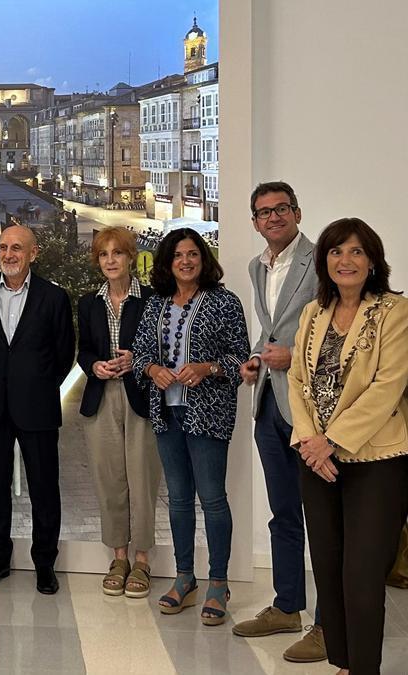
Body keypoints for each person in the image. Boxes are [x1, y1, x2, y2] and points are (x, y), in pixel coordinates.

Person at [287, 218, 408, 675]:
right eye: (337, 251)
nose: (346, 260)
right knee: (329, 569)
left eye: (357, 251)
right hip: (315, 461)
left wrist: (331, 441)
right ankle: (343, 663)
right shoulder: (312, 313)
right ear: (324, 261)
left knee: (362, 576)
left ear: (373, 260)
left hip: (376, 459)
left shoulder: (395, 311)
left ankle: (364, 669)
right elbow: (298, 381)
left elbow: (387, 385)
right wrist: (310, 442)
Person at [132, 228, 249, 626]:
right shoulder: (156, 305)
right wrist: (153, 369)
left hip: (208, 415)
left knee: (213, 499)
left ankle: (219, 582)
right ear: (166, 262)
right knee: (179, 499)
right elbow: (139, 357)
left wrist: (208, 368)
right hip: (167, 414)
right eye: (178, 255)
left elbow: (242, 362)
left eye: (193, 254)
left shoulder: (224, 302)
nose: (186, 261)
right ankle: (185, 578)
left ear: (204, 259)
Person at [234, 182, 326, 661]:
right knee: (284, 513)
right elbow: (268, 331)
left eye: (281, 209)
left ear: (297, 212)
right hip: (269, 404)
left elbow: (335, 329)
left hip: (311, 408)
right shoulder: (256, 266)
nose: (272, 218)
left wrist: (296, 356)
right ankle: (288, 606)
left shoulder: (322, 259)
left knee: (326, 519)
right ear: (254, 222)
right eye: (263, 212)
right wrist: (255, 359)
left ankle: (332, 625)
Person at [0, 225, 73, 594]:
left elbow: (63, 355)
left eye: (17, 248)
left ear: (33, 253)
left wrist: (36, 385)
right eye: (3, 248)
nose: (8, 254)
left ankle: (45, 563)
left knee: (45, 488)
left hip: (38, 407)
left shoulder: (53, 298)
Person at [75, 227, 159, 598]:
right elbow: (84, 350)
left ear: (131, 258)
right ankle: (119, 557)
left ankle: (142, 561)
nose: (110, 261)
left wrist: (136, 361)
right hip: (101, 397)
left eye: (117, 254)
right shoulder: (88, 302)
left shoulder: (153, 300)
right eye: (104, 255)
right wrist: (94, 366)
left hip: (140, 395)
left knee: (142, 481)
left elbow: (164, 349)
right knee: (109, 481)